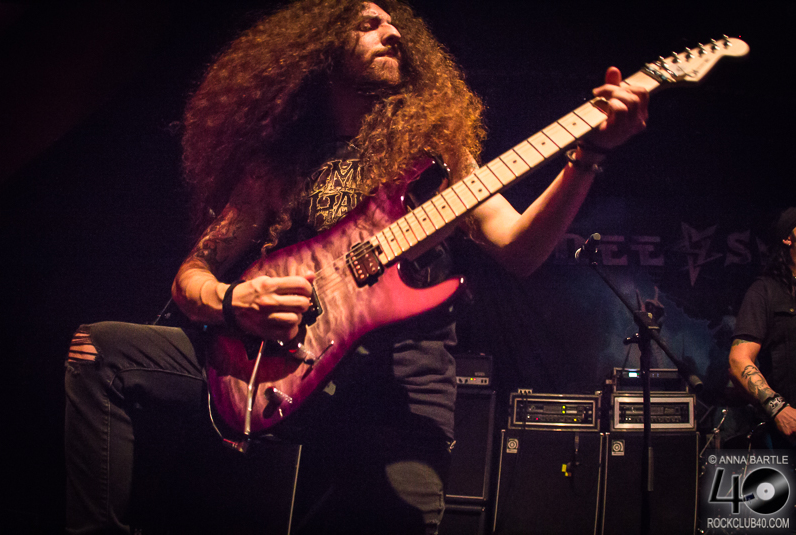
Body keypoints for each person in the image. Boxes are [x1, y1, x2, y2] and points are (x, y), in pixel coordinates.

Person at [64, 1, 647, 533]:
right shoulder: (279, 164)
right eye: (369, 24)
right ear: (320, 49)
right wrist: (233, 303)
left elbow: (519, 248)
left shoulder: (434, 155)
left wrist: (587, 156)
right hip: (268, 369)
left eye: (395, 25)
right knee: (99, 352)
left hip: (392, 399)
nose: (392, 33)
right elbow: (194, 271)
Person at [729, 206, 796, 448]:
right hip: (788, 435)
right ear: (788, 238)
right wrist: (777, 408)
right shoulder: (765, 292)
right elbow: (738, 361)